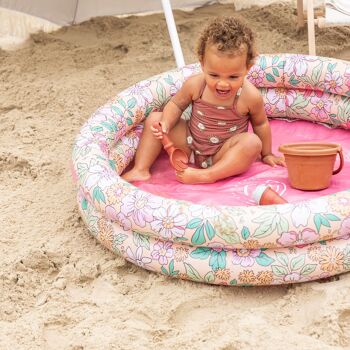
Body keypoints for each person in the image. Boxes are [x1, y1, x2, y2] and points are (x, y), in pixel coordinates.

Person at [122, 16, 285, 184]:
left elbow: (260, 124)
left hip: (223, 154)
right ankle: (140, 169)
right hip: (190, 143)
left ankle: (209, 175)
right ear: (202, 64)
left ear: (247, 68)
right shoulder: (196, 85)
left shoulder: (249, 96)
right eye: (214, 75)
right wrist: (166, 123)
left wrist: (267, 154)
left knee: (252, 142)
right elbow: (176, 105)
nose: (222, 84)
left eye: (233, 77)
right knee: (155, 118)